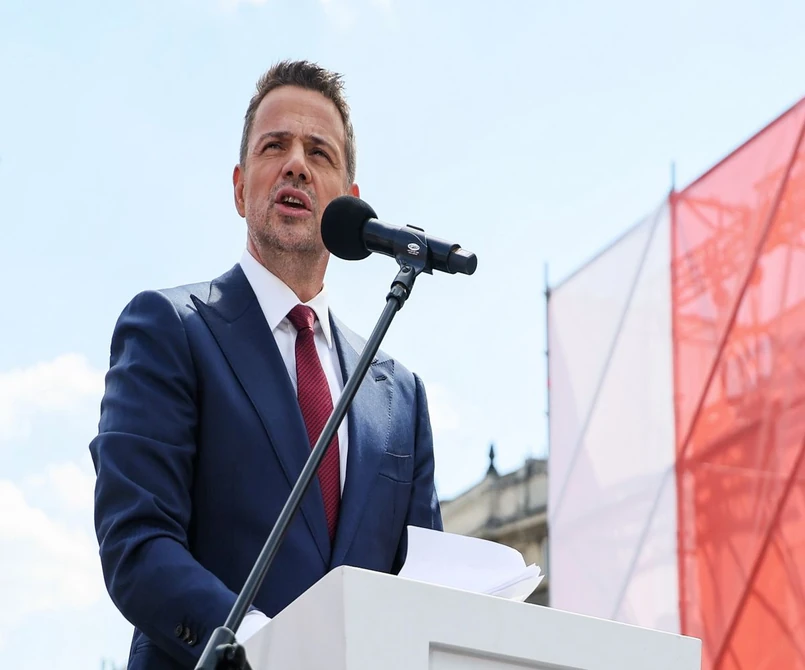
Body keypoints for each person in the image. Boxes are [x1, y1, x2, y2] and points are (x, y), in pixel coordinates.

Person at [89, 59, 443, 670]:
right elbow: (137, 542)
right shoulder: (168, 329)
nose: (296, 164)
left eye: (319, 152)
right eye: (274, 146)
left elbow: (423, 584)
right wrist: (259, 648)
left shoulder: (400, 396)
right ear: (239, 188)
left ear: (350, 203)